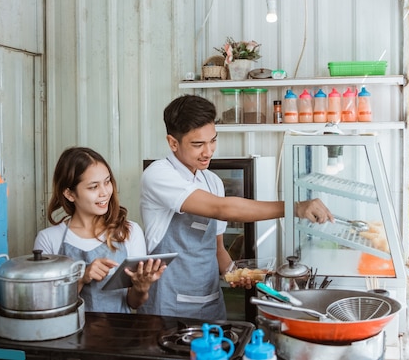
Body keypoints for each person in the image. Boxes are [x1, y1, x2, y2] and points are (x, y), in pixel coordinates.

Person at [138, 94, 333, 321]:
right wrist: (295, 207)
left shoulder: (212, 181)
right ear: (173, 143)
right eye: (198, 144)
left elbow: (216, 247)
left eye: (213, 140)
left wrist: (234, 273)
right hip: (167, 306)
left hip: (210, 303)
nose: (208, 151)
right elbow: (223, 209)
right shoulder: (158, 174)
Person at [34, 147, 167, 313]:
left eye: (107, 181)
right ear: (70, 194)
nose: (105, 192)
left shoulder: (130, 232)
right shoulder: (49, 239)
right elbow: (45, 304)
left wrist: (141, 288)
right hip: (69, 336)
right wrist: (82, 277)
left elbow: (134, 303)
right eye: (93, 187)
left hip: (118, 335)